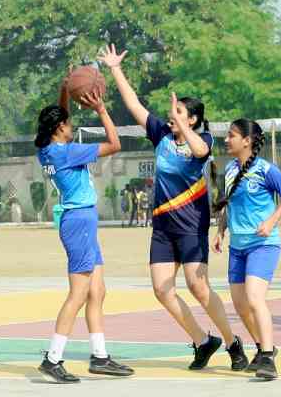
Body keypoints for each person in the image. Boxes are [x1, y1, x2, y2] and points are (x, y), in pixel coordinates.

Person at [100, 44, 247, 372]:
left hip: (192, 227)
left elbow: (197, 151)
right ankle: (201, 340)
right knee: (162, 290)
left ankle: (232, 343)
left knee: (198, 287)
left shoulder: (204, 139)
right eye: (173, 112)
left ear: (193, 118)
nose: (172, 115)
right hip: (164, 227)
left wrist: (185, 127)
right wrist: (115, 69)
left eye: (180, 112)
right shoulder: (161, 136)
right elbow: (134, 104)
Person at [35, 74, 133, 383]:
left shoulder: (48, 149)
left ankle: (100, 357)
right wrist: (102, 110)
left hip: (80, 219)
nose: (72, 124)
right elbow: (115, 144)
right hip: (78, 222)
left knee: (97, 290)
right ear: (59, 129)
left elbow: (60, 116)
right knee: (78, 293)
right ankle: (53, 358)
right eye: (67, 122)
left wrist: (64, 90)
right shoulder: (67, 152)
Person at [213, 119, 281, 380]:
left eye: (232, 135)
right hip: (237, 247)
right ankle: (262, 348)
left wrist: (272, 220)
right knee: (240, 305)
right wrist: (220, 231)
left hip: (263, 245)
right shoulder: (228, 170)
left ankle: (269, 359)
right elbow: (228, 205)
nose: (227, 140)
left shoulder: (265, 169)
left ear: (247, 141)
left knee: (254, 297)